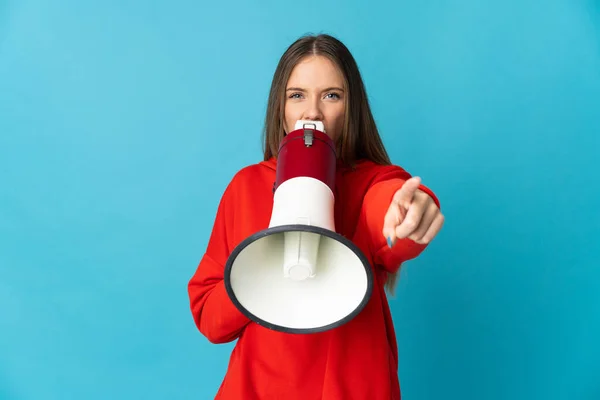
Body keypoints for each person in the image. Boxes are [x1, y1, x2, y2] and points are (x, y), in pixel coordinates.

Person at [188, 33, 445, 400]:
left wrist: (407, 213)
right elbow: (211, 318)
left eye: (331, 95)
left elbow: (386, 205)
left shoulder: (370, 181)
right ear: (281, 107)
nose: (312, 112)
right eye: (297, 95)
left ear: (351, 107)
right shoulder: (245, 187)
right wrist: (255, 279)